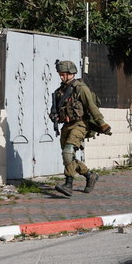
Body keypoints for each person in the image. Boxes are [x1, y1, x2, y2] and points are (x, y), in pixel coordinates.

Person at [50, 60, 112, 196]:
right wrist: (54, 116)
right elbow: (54, 111)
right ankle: (90, 176)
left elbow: (91, 106)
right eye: (60, 74)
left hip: (80, 124)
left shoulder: (80, 88)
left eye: (63, 74)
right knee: (68, 158)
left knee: (67, 153)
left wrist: (101, 123)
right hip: (66, 126)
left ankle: (68, 184)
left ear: (71, 73)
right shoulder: (60, 92)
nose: (61, 77)